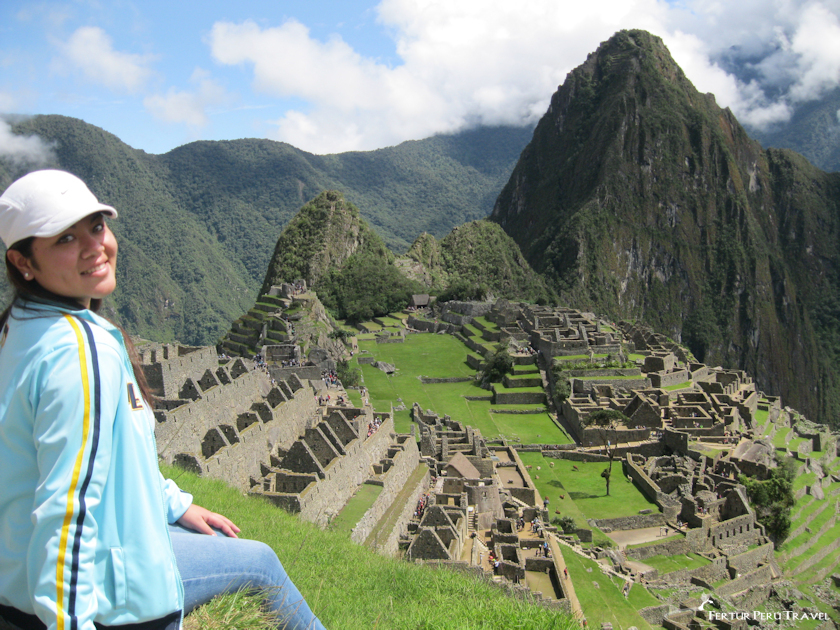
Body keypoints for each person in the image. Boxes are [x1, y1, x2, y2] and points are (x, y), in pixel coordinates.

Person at [0, 171, 326, 630]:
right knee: (262, 564)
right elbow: (66, 510)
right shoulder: (80, 352)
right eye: (65, 239)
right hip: (100, 591)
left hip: (15, 573)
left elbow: (113, 463)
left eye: (96, 227)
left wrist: (173, 505)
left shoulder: (16, 329)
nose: (95, 246)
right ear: (23, 261)